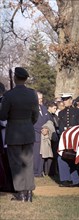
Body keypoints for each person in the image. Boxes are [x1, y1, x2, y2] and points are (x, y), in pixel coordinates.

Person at [0, 67, 39, 202]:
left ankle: (21, 193)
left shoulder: (9, 95)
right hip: (28, 131)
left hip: (14, 133)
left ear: (15, 78)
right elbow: (35, 116)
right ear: (26, 78)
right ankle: (28, 193)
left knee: (16, 164)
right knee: (28, 163)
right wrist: (27, 124)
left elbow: (3, 115)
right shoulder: (32, 94)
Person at [58, 93, 79, 187]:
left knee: (72, 159)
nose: (64, 102)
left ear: (71, 100)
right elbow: (61, 127)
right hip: (65, 139)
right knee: (61, 157)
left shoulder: (77, 111)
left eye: (66, 99)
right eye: (63, 100)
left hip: (74, 140)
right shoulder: (61, 113)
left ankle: (75, 180)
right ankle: (65, 179)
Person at [33, 91, 50, 177]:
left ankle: (39, 172)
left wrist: (47, 128)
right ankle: (34, 172)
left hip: (44, 136)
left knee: (42, 154)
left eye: (41, 98)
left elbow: (48, 119)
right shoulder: (31, 109)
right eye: (39, 99)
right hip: (36, 135)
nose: (40, 100)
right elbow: (32, 122)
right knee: (35, 155)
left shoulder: (43, 108)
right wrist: (41, 129)